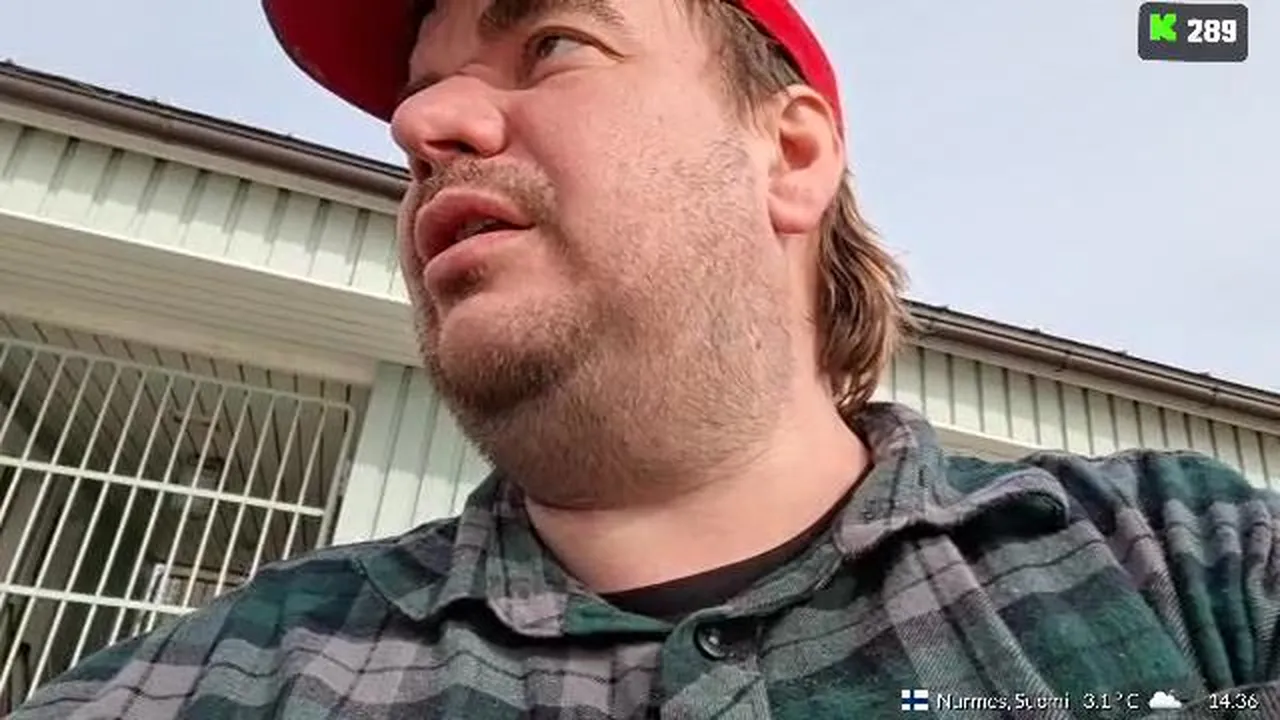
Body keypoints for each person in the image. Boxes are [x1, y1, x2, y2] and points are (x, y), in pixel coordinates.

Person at [13, 0, 1280, 717]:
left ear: (788, 154)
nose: (420, 124)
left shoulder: (1181, 558)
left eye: (551, 43)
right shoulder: (247, 670)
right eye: (419, 91)